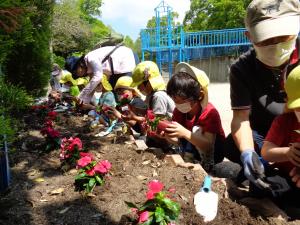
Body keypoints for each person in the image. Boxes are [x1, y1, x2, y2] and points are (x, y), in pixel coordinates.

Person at [225, 0, 300, 190]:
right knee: (230, 145)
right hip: (265, 133)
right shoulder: (242, 69)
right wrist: (248, 152)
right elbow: (240, 120)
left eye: (283, 36)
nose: (275, 44)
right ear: (249, 36)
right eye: (266, 39)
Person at [161, 62, 225, 172]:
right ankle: (189, 160)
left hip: (213, 153)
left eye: (181, 99)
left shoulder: (209, 113)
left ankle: (207, 165)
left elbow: (208, 145)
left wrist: (184, 133)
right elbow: (178, 140)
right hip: (191, 151)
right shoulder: (179, 111)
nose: (176, 103)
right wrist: (167, 136)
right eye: (174, 99)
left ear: (199, 95)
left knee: (195, 130)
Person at [261, 65, 300, 218]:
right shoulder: (285, 121)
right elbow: (266, 152)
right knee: (262, 185)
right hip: (285, 176)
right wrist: (287, 153)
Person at [65, 44, 136, 110]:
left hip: (126, 59)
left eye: (75, 72)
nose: (77, 75)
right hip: (116, 71)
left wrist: (81, 96)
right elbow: (91, 88)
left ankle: (131, 115)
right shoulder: (89, 69)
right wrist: (82, 102)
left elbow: (98, 77)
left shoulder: (90, 58)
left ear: (79, 65)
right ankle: (119, 114)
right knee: (116, 93)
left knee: (126, 93)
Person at [131, 61, 175, 149]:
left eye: (139, 85)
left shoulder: (158, 96)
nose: (138, 88)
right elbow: (150, 115)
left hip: (165, 139)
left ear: (148, 83)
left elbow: (157, 122)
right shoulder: (151, 95)